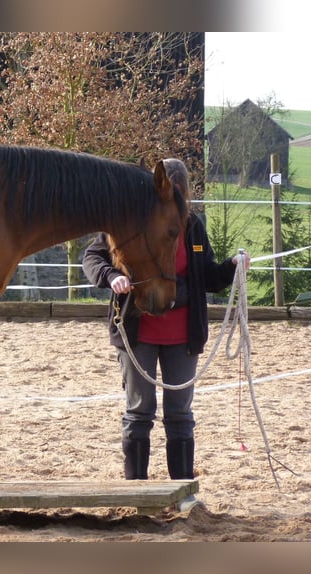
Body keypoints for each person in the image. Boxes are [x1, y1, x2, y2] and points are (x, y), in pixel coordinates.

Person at [82, 158, 250, 512]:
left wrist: (232, 269)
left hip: (182, 334)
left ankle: (182, 494)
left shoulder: (193, 228)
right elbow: (93, 256)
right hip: (137, 331)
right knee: (139, 410)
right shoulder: (128, 218)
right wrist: (111, 276)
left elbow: (208, 276)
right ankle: (136, 494)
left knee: (180, 414)